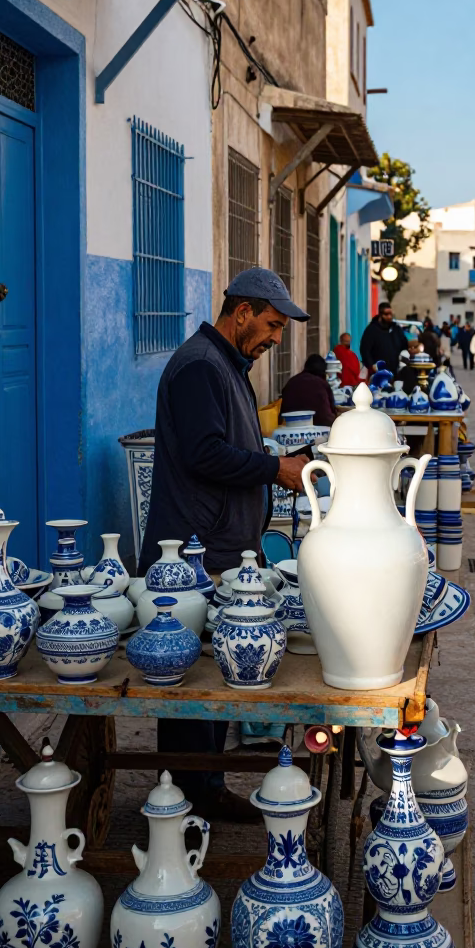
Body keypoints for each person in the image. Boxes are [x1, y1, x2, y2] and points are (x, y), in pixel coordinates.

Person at [140, 266, 311, 819]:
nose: (275, 338)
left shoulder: (227, 364)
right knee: (193, 690)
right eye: (270, 325)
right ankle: (185, 805)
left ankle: (203, 793)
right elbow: (204, 454)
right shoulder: (198, 367)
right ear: (242, 312)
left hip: (219, 546)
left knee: (210, 687)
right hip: (194, 552)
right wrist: (273, 468)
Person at [281, 353, 337, 427]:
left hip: (289, 426)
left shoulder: (292, 381)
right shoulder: (322, 383)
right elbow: (332, 410)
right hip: (320, 426)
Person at [359, 302, 408, 372]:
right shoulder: (372, 329)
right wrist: (372, 366)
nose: (389, 317)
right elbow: (365, 350)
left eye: (390, 314)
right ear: (380, 315)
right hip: (378, 372)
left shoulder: (396, 329)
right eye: (386, 314)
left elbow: (404, 345)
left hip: (396, 372)